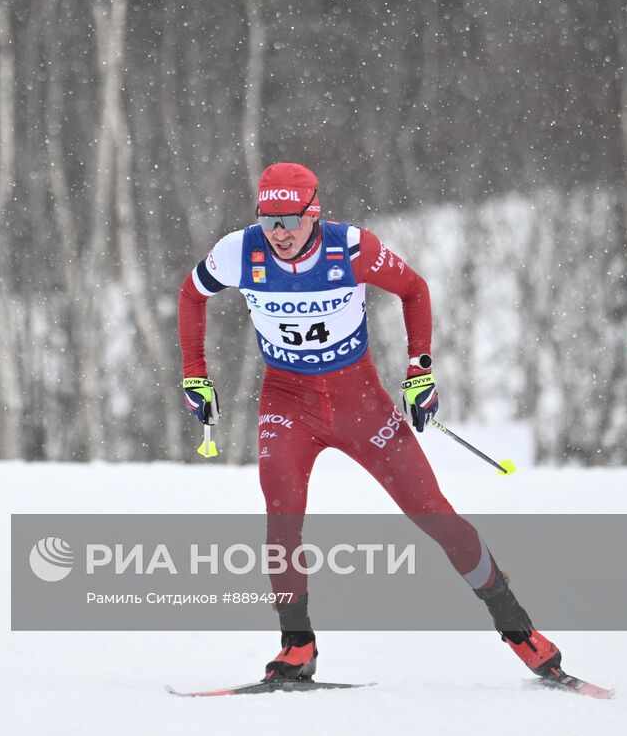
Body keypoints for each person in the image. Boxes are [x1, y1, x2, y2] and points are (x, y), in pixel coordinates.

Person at [177, 162, 562, 684]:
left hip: (360, 402)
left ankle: (518, 628)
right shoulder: (237, 252)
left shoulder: (351, 248)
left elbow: (414, 289)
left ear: (314, 214)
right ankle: (297, 646)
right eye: (268, 220)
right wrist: (195, 376)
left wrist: (419, 371)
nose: (279, 233)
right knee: (281, 521)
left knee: (433, 513)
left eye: (290, 219)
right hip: (287, 403)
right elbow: (191, 294)